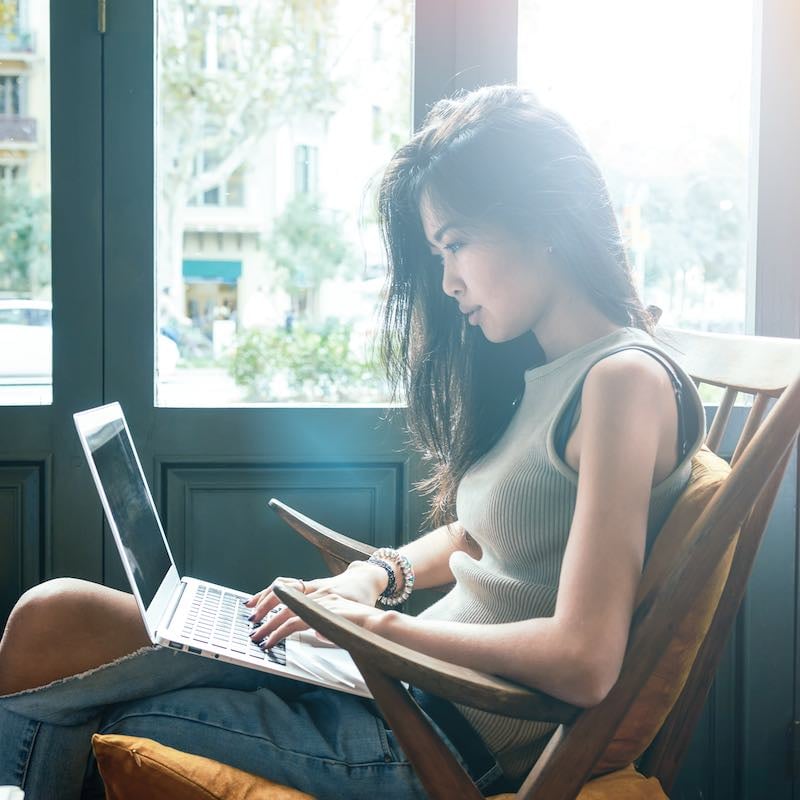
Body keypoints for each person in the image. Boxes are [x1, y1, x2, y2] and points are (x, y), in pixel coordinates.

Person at [0, 85, 704, 799]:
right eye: (438, 254)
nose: (449, 281)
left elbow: (582, 659)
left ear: (543, 220)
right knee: (55, 618)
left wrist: (369, 631)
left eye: (456, 243)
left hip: (430, 737)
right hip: (390, 690)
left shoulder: (623, 382)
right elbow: (484, 534)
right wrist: (375, 578)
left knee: (88, 706)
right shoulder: (549, 371)